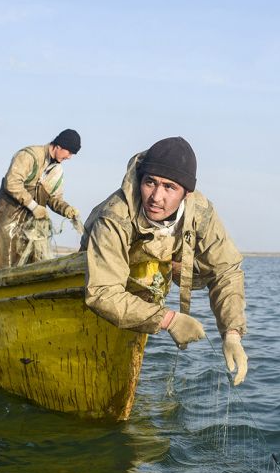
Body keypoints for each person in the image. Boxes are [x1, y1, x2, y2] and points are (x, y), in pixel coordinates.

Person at [80, 137, 249, 385]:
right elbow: (101, 291)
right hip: (106, 275)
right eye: (150, 182)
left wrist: (232, 333)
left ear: (186, 193)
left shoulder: (200, 211)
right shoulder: (115, 216)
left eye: (169, 187)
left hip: (158, 266)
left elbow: (226, 270)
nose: (156, 197)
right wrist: (169, 320)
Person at [0, 129, 82, 269]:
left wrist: (66, 209)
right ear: (59, 146)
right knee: (1, 261)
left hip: (33, 225)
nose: (70, 157)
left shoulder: (57, 170)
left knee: (32, 263)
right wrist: (34, 206)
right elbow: (11, 183)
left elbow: (54, 198)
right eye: (69, 152)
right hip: (8, 218)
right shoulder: (28, 156)